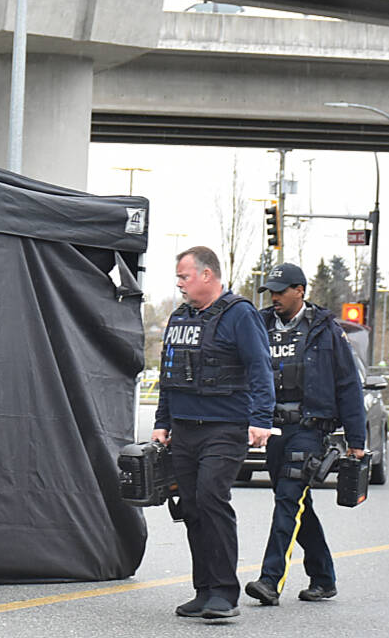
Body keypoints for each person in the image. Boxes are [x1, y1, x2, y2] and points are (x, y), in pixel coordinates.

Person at [152, 246, 274, 620]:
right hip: (185, 429)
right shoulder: (180, 318)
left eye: (185, 276)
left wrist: (262, 419)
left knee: (210, 499)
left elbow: (260, 368)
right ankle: (203, 590)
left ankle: (224, 592)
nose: (179, 283)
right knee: (190, 507)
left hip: (225, 428)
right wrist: (162, 422)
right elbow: (169, 374)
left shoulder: (240, 315)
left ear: (207, 275)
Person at [244, 263, 366, 607]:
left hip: (308, 430)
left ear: (300, 290)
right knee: (297, 503)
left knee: (288, 499)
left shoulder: (326, 331)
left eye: (281, 291)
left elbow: (348, 386)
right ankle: (324, 577)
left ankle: (270, 580)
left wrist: (356, 442)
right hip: (271, 429)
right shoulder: (259, 324)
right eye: (271, 291)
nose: (275, 297)